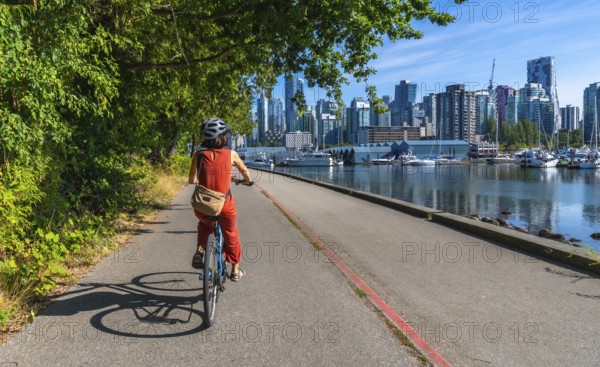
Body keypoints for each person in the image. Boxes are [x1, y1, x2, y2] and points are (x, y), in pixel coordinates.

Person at [188, 118, 253, 281]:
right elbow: (246, 174)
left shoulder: (199, 155)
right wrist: (246, 181)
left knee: (204, 225)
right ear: (223, 136)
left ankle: (200, 251)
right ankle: (235, 270)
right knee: (231, 233)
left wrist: (204, 181)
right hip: (224, 205)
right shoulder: (231, 154)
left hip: (202, 205)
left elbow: (191, 180)